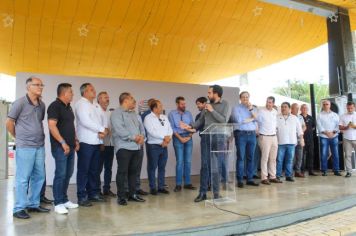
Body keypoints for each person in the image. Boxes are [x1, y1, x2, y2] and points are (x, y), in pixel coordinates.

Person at [6, 76, 50, 219]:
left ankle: (33, 204)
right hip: (25, 146)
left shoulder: (42, 105)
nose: (40, 87)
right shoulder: (19, 103)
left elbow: (38, 121)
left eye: (41, 85)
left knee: (39, 176)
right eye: (37, 85)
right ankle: (19, 208)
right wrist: (17, 137)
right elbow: (9, 122)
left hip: (39, 146)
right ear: (28, 87)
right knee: (23, 178)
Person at [181, 85, 229, 202]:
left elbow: (223, 120)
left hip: (218, 137)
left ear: (216, 93)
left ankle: (216, 193)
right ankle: (202, 193)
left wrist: (212, 111)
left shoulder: (224, 104)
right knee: (205, 165)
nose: (208, 95)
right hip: (206, 137)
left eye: (209, 92)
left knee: (216, 166)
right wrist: (190, 126)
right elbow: (200, 120)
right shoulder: (207, 105)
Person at [47, 83, 80, 214]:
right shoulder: (54, 106)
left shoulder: (69, 107)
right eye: (71, 92)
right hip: (60, 147)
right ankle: (58, 203)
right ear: (64, 93)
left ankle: (65, 199)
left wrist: (76, 140)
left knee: (68, 173)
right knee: (60, 174)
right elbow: (52, 126)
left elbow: (71, 126)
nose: (72, 94)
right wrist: (63, 142)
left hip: (71, 146)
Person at [75, 83, 108, 207]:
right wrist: (100, 129)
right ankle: (81, 196)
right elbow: (85, 121)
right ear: (84, 92)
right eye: (91, 90)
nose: (94, 91)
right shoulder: (80, 104)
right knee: (84, 170)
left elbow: (103, 117)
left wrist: (103, 129)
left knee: (94, 170)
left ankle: (93, 194)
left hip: (97, 142)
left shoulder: (95, 104)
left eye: (94, 89)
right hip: (85, 142)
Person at [111, 92, 146, 206]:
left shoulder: (133, 113)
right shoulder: (116, 113)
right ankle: (121, 197)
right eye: (132, 99)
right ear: (125, 100)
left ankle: (133, 194)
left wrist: (141, 137)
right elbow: (120, 130)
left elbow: (140, 128)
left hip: (136, 147)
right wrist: (134, 138)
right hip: (124, 147)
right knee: (122, 172)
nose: (133, 101)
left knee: (133, 172)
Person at [229, 91, 259, 188]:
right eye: (243, 97)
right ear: (240, 98)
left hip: (252, 135)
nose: (245, 99)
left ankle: (250, 179)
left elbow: (258, 120)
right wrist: (252, 118)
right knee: (241, 157)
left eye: (247, 97)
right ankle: (240, 180)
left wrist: (251, 111)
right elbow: (239, 121)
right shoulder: (236, 108)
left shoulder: (253, 108)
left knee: (251, 157)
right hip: (241, 134)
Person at [144, 100, 173, 195]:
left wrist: (168, 139)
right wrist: (164, 137)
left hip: (164, 145)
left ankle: (161, 187)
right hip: (153, 146)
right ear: (154, 108)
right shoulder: (148, 118)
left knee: (162, 167)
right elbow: (151, 131)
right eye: (160, 106)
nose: (162, 108)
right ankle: (153, 187)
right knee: (152, 167)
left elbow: (170, 129)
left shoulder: (164, 117)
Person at [168, 96, 196, 192]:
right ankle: (178, 184)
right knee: (180, 161)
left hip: (188, 137)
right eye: (182, 104)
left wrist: (189, 136)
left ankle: (187, 183)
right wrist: (180, 138)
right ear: (177, 104)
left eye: (185, 104)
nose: (184, 105)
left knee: (188, 161)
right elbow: (171, 128)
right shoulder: (172, 114)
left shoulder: (188, 113)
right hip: (177, 138)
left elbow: (193, 126)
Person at [257, 96, 282, 185]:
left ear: (273, 103)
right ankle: (264, 177)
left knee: (273, 158)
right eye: (267, 102)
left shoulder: (275, 112)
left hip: (274, 137)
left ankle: (272, 176)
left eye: (270, 102)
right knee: (265, 158)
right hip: (264, 137)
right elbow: (256, 122)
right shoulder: (261, 111)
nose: (268, 104)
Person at [276, 102, 304, 182]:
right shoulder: (277, 117)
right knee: (279, 160)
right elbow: (274, 129)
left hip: (291, 143)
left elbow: (299, 130)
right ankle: (278, 175)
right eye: (282, 107)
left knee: (290, 160)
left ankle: (288, 176)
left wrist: (302, 140)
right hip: (280, 142)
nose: (283, 108)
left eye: (285, 107)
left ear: (289, 109)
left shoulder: (294, 118)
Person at [96, 91, 116, 197]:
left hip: (110, 144)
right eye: (104, 97)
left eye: (108, 97)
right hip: (100, 145)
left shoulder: (110, 113)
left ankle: (107, 189)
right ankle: (97, 190)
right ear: (99, 99)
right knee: (98, 168)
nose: (107, 99)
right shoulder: (96, 112)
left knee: (108, 168)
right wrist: (101, 143)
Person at [317, 100, 341, 176]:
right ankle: (324, 170)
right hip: (324, 136)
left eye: (327, 104)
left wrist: (333, 132)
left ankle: (336, 170)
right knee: (324, 154)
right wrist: (326, 133)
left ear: (330, 105)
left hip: (334, 136)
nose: (325, 105)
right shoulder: (319, 115)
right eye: (324, 104)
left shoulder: (335, 115)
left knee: (335, 154)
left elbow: (338, 125)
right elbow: (319, 126)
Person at [339, 101, 356, 177]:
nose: (349, 109)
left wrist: (354, 126)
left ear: (354, 107)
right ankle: (349, 172)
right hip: (347, 138)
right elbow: (339, 127)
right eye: (348, 108)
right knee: (347, 155)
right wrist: (346, 127)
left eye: (351, 108)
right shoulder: (343, 116)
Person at [300, 104, 317, 176]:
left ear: (308, 109)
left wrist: (309, 131)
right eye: (303, 108)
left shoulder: (311, 117)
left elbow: (313, 127)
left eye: (306, 108)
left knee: (310, 154)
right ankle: (302, 171)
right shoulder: (298, 117)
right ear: (300, 109)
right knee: (302, 155)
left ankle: (311, 170)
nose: (304, 109)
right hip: (302, 139)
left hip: (310, 139)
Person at [291, 103, 306, 178]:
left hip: (300, 138)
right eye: (295, 108)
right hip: (292, 139)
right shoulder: (289, 116)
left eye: (298, 108)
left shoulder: (300, 117)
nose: (297, 110)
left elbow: (304, 126)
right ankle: (290, 172)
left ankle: (297, 171)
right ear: (291, 109)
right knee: (292, 157)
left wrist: (301, 131)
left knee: (299, 156)